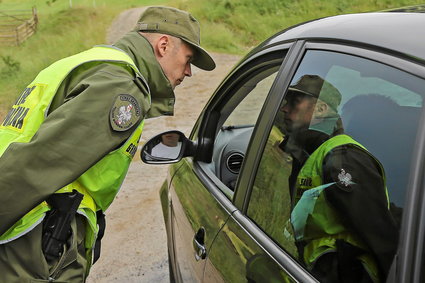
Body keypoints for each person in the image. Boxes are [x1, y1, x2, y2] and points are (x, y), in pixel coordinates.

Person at [0, 6, 215, 282]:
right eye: (187, 59)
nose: (188, 72)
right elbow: (34, 167)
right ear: (164, 45)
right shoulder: (121, 87)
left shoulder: (91, 62)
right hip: (32, 248)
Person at [279, 75, 398, 283]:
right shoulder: (310, 151)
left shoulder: (342, 159)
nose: (284, 109)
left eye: (294, 101)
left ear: (321, 110)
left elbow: (382, 239)